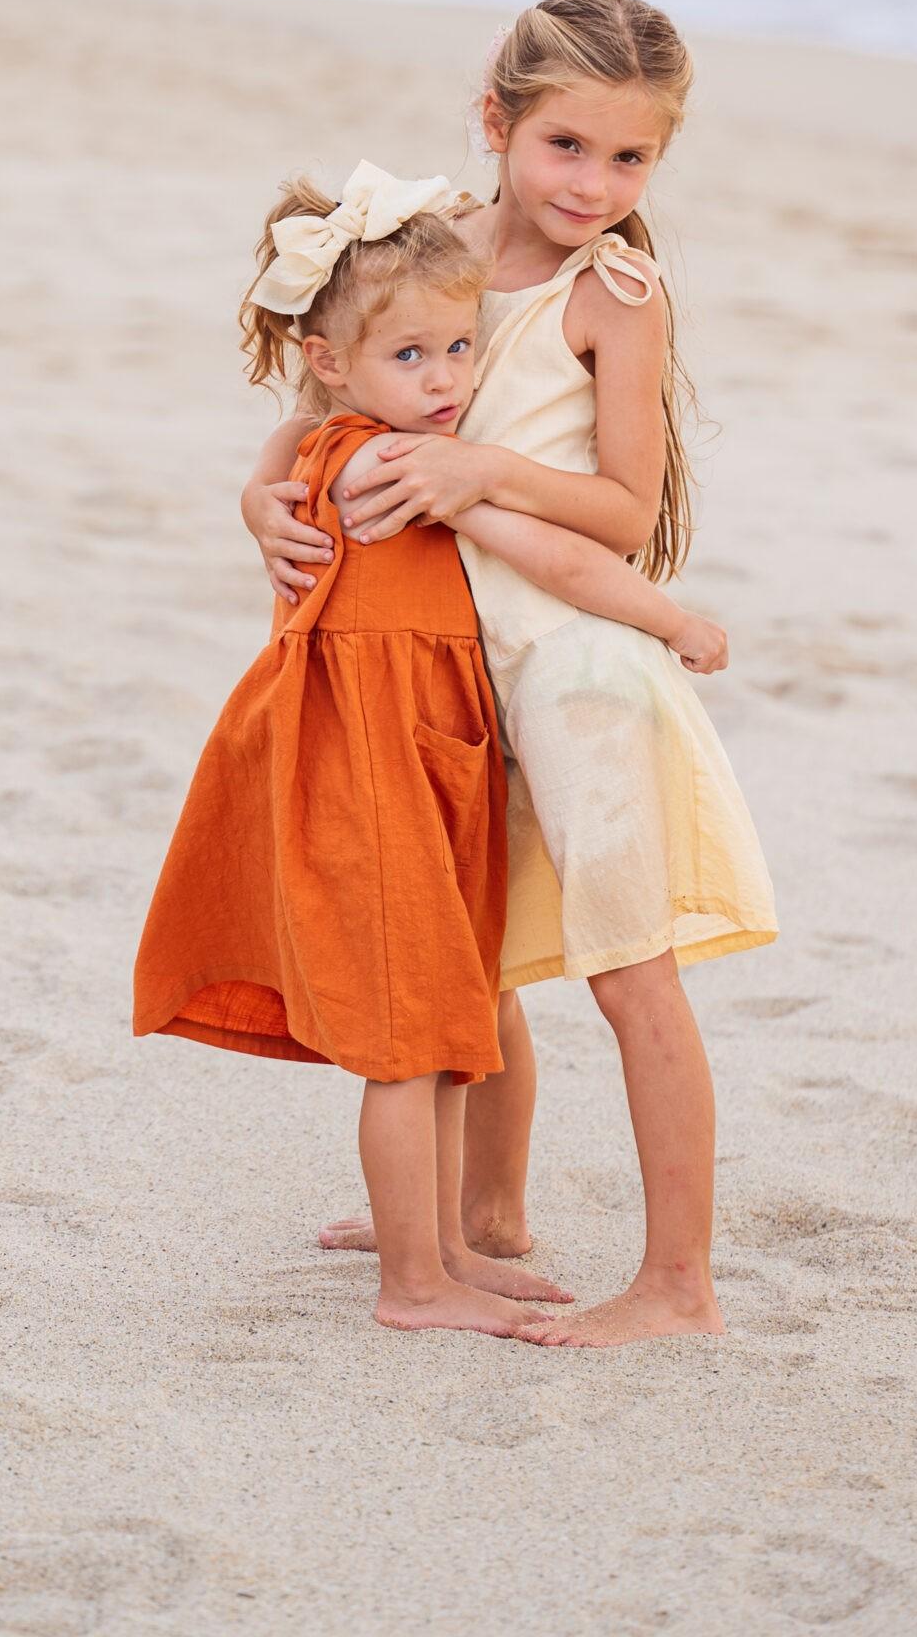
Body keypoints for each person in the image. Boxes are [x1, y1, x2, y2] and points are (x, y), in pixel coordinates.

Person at [242, 0, 778, 1348]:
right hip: (438, 665)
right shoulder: (431, 251)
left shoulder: (612, 295)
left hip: (572, 662)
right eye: (564, 145)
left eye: (628, 157)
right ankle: (474, 1219)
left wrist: (474, 468)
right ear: (495, 122)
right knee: (465, 958)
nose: (590, 185)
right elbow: (321, 406)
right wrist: (259, 502)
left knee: (627, 972)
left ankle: (678, 1284)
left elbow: (622, 512)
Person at [136, 158, 731, 1340]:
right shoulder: (393, 458)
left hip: (436, 735)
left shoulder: (393, 420)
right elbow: (555, 555)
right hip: (379, 754)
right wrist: (672, 619)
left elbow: (300, 440)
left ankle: (452, 1236)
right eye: (413, 356)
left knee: (452, 1002)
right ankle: (419, 1274)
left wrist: (263, 488)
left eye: (459, 350)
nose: (448, 378)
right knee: (413, 1023)